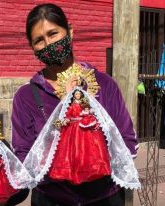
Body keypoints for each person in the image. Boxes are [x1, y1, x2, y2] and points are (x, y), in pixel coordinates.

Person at [11, 3, 139, 206]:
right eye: (39, 40)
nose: (48, 44)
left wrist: (94, 156)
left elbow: (127, 141)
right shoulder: (26, 97)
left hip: (105, 197)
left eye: (53, 33)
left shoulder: (104, 84)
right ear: (32, 48)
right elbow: (24, 156)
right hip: (52, 199)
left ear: (70, 32)